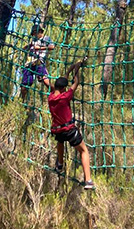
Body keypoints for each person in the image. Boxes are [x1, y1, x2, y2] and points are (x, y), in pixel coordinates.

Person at [43, 59, 95, 190]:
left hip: (57, 130)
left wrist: (71, 68)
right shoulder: (65, 96)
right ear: (64, 88)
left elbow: (63, 81)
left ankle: (60, 163)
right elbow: (75, 82)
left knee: (60, 141)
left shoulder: (51, 97)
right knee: (84, 151)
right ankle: (88, 180)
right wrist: (76, 70)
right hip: (68, 129)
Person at [20, 24, 54, 100]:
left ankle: (56, 94)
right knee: (24, 85)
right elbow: (24, 49)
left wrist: (40, 48)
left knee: (46, 81)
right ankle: (23, 101)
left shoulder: (46, 38)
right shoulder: (33, 40)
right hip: (29, 64)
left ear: (39, 32)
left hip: (39, 62)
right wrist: (28, 45)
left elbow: (52, 47)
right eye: (33, 34)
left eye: (35, 33)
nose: (34, 35)